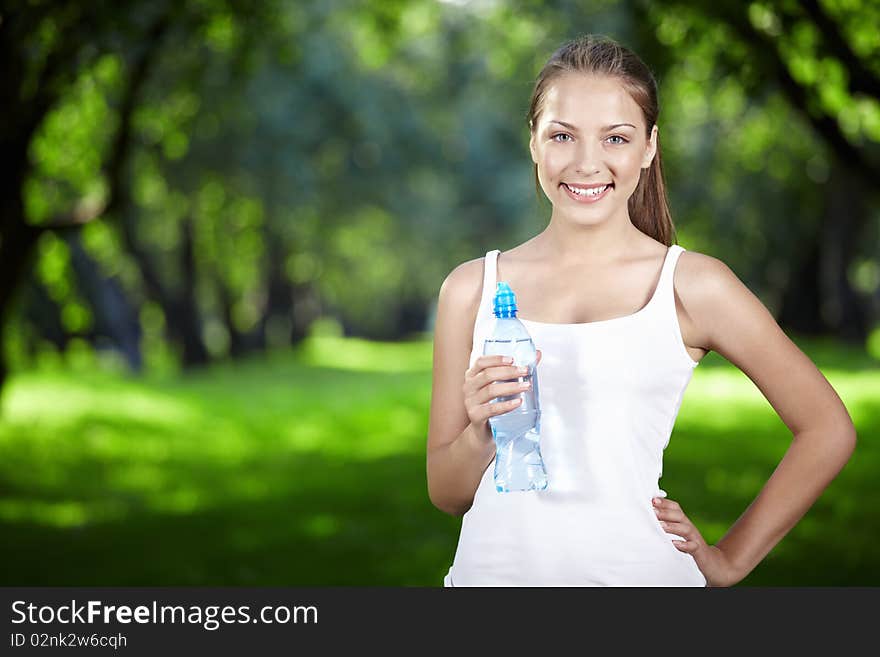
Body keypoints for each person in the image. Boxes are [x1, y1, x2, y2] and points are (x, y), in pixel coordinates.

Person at [425, 34, 856, 587]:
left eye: (615, 138)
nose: (587, 163)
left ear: (649, 147)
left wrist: (729, 561)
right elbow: (447, 493)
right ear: (533, 143)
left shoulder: (690, 286)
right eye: (562, 135)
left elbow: (827, 428)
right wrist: (482, 430)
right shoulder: (470, 290)